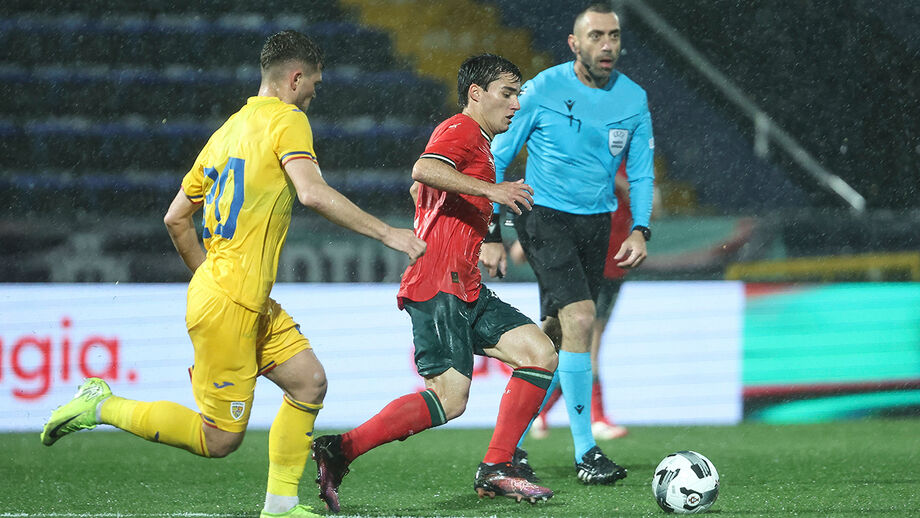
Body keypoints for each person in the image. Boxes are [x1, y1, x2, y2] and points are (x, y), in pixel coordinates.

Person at [39, 30, 426, 518]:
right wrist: (388, 233)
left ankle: (281, 506)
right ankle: (100, 405)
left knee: (309, 383)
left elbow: (176, 218)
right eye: (315, 84)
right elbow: (311, 192)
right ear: (295, 77)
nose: (313, 94)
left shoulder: (226, 132)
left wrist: (211, 278)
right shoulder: (288, 120)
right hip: (229, 300)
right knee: (218, 439)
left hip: (238, 296)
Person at [310, 53, 558, 513]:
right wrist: (491, 191)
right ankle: (339, 450)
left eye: (519, 95)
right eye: (508, 93)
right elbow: (423, 170)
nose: (516, 105)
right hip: (437, 282)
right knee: (450, 398)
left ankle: (498, 467)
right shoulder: (461, 128)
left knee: (539, 353)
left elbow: (426, 189)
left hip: (466, 285)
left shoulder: (480, 145)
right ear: (476, 94)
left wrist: (481, 234)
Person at [488, 3, 655, 485]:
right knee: (582, 317)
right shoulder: (541, 89)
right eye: (597, 36)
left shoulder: (634, 99)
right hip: (542, 215)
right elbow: (498, 156)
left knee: (555, 336)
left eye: (615, 36)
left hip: (597, 222)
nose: (608, 45)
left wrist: (640, 227)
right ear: (574, 43)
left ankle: (508, 448)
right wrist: (492, 230)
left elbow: (640, 172)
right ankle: (587, 453)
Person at [528, 164, 632, 441]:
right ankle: (595, 418)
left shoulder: (627, 164)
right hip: (588, 266)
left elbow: (649, 210)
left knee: (574, 347)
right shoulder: (590, 159)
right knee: (584, 345)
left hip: (612, 268)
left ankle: (539, 411)